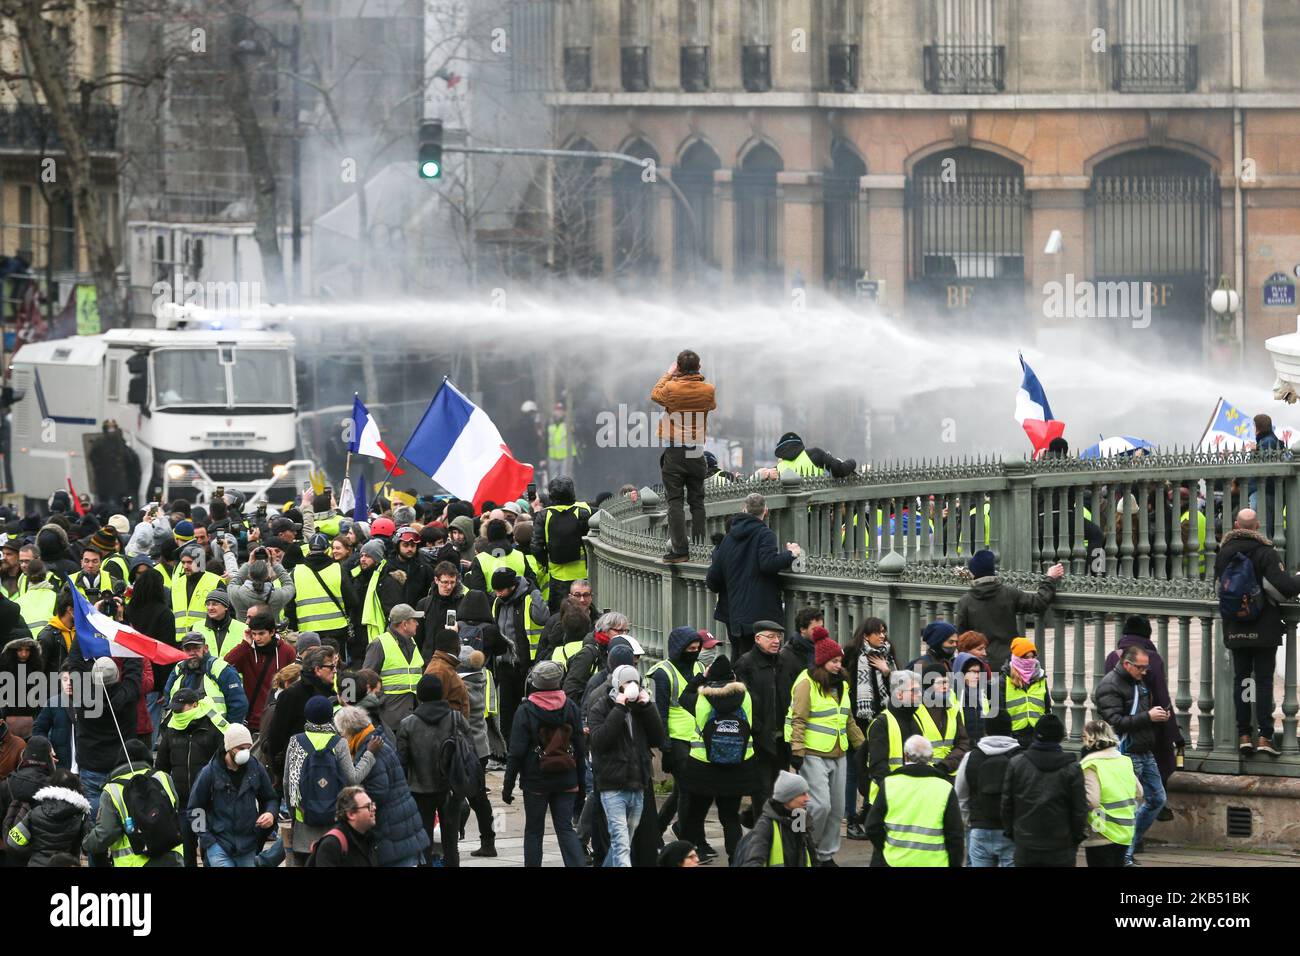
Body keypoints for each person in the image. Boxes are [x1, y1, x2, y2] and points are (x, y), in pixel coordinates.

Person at [1213, 507, 1300, 756]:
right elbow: (1283, 588)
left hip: (1235, 627)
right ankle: (1264, 736)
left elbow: (1219, 588)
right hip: (1263, 627)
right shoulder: (1266, 552)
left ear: (1236, 525)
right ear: (1257, 526)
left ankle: (1242, 735)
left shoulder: (1224, 552)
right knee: (1262, 681)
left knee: (1242, 679)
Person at [502, 658, 588, 867]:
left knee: (534, 830)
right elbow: (580, 747)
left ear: (534, 682)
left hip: (536, 780)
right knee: (565, 828)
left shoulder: (525, 710)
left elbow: (516, 752)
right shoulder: (570, 707)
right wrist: (581, 783)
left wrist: (508, 785)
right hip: (567, 778)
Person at [786, 634, 863, 866]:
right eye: (834, 662)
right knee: (820, 806)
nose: (839, 665)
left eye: (840, 661)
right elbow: (798, 719)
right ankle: (805, 845)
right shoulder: (806, 684)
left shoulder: (842, 685)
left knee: (837, 809)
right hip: (812, 752)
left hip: (839, 752)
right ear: (822, 662)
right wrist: (797, 750)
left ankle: (825, 855)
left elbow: (847, 718)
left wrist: (861, 745)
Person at [676, 655, 756, 863]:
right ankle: (735, 860)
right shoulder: (745, 697)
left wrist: (700, 678)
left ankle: (692, 856)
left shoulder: (702, 698)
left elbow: (683, 698)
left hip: (703, 766)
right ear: (732, 676)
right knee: (730, 818)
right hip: (738, 765)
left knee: (695, 816)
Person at [1093, 645, 1168, 866]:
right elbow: (1115, 723)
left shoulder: (1137, 681)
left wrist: (1156, 717)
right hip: (1126, 753)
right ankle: (1124, 854)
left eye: (1146, 668)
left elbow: (1139, 715)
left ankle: (1129, 845)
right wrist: (1149, 717)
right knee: (1129, 806)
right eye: (1141, 668)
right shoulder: (1109, 685)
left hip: (1145, 750)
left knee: (1157, 799)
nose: (1145, 672)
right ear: (1127, 664)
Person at [284, 695, 378, 865]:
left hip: (304, 823)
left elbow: (288, 783)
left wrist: (295, 815)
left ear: (307, 716)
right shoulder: (339, 743)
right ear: (331, 717)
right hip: (331, 827)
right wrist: (369, 754)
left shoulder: (295, 742)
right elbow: (353, 778)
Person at [587, 663, 665, 866]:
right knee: (621, 844)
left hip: (637, 783)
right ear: (617, 685)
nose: (632, 686)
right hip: (612, 786)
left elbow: (658, 738)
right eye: (627, 683)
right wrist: (619, 708)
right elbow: (600, 741)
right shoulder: (601, 706)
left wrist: (648, 707)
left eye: (635, 682)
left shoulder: (640, 708)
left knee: (624, 843)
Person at [706, 493, 801, 658]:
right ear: (766, 511)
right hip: (761, 614)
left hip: (734, 615)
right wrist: (791, 554)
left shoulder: (728, 539)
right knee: (761, 662)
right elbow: (768, 564)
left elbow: (713, 580)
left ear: (744, 509)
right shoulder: (765, 534)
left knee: (739, 659)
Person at [334, 704, 429, 867]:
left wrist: (353, 802)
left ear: (350, 731)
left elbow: (378, 792)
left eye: (342, 733)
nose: (341, 737)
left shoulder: (370, 750)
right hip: (401, 828)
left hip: (393, 833)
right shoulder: (375, 740)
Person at [397, 674, 474, 867]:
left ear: (419, 695)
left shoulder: (407, 724)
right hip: (451, 788)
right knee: (450, 844)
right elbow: (469, 752)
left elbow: (402, 762)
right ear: (441, 694)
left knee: (423, 844)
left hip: (419, 791)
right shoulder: (456, 718)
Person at [1103, 615, 1183, 799]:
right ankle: (1155, 806)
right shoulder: (1152, 658)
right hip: (1147, 727)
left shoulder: (1112, 657)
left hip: (1120, 729)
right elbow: (1162, 699)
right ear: (1147, 636)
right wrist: (1175, 735)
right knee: (1153, 773)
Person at [651, 349, 717, 563]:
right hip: (696, 451)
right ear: (699, 367)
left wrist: (669, 373)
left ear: (678, 367)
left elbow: (655, 394)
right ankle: (698, 547)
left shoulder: (671, 388)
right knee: (697, 501)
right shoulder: (708, 390)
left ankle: (680, 551)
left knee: (675, 501)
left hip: (675, 451)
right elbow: (711, 405)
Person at [187, 723, 282, 867]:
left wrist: (270, 813)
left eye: (248, 748)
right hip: (219, 844)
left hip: (247, 845)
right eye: (240, 748)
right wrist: (207, 840)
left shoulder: (255, 768)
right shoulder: (209, 772)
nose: (245, 752)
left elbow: (270, 798)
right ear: (229, 748)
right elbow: (194, 809)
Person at [864, 735, 964, 867]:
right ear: (931, 756)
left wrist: (887, 848)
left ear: (906, 756)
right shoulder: (945, 788)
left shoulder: (890, 784)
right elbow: (955, 835)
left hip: (895, 861)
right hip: (935, 863)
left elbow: (872, 827)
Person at [153, 688, 227, 866]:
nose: (176, 712)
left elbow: (224, 763)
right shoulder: (171, 729)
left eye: (180, 708)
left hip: (207, 802)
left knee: (209, 848)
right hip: (183, 803)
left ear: (195, 705)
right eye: (174, 709)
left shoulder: (212, 727)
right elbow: (162, 766)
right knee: (187, 849)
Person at [955, 549, 1064, 671]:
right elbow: (1038, 603)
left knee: (985, 691)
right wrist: (1049, 579)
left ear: (973, 574)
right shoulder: (1009, 593)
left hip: (980, 664)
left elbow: (961, 639)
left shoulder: (965, 602)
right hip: (1009, 662)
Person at [1001, 714, 1087, 867]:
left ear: (1036, 735)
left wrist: (1012, 833)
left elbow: (1007, 805)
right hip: (1061, 844)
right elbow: (1079, 810)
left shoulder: (1017, 764)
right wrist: (1075, 837)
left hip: (1026, 842)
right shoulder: (1072, 768)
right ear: (1060, 737)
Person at [83, 738, 183, 867]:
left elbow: (106, 833)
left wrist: (87, 843)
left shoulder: (112, 790)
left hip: (135, 862)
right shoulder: (163, 777)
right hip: (173, 857)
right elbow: (175, 807)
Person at [649, 625, 707, 841]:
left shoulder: (699, 667)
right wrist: (665, 746)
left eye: (697, 648)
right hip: (676, 739)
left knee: (682, 791)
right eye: (690, 648)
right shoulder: (663, 673)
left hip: (698, 738)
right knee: (687, 790)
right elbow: (660, 713)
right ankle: (688, 838)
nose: (694, 652)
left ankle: (657, 830)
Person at [842, 617, 894, 837]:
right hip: (858, 721)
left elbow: (899, 690)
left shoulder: (888, 655)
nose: (882, 636)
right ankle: (850, 818)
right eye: (878, 632)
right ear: (865, 635)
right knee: (854, 769)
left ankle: (869, 810)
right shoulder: (852, 655)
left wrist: (887, 671)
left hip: (881, 722)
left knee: (878, 768)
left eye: (883, 631)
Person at [262, 645, 341, 781]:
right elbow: (276, 736)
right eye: (331, 667)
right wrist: (280, 774)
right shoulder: (292, 695)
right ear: (317, 669)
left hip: (329, 767)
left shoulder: (334, 691)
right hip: (300, 771)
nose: (335, 671)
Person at [954, 709, 1021, 867]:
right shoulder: (1020, 758)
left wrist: (969, 823)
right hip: (1010, 831)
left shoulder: (970, 757)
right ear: (1010, 729)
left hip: (979, 829)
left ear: (986, 730)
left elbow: (960, 796)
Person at [734, 619, 785, 824]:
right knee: (762, 790)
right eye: (771, 637)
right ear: (757, 638)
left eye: (779, 637)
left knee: (780, 790)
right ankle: (762, 834)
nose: (776, 641)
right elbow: (742, 701)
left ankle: (779, 834)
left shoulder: (782, 662)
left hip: (782, 738)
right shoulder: (746, 664)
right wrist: (757, 729)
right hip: (759, 740)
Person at [1079, 719, 1142, 868]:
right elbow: (1139, 792)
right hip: (1125, 830)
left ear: (1089, 738)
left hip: (1101, 831)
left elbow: (1092, 801)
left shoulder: (1090, 764)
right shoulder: (1124, 761)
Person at [455, 645, 498, 858]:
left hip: (466, 748)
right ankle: (488, 840)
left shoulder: (461, 686)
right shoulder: (480, 678)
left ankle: (479, 840)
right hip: (481, 747)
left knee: (468, 797)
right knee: (479, 797)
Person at [223, 612, 296, 732]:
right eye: (254, 634)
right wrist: (245, 644)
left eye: (261, 633)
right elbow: (225, 667)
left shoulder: (287, 651)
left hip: (279, 719)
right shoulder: (246, 651)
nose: (257, 638)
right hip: (250, 722)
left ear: (272, 632)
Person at [5, 767, 91, 867]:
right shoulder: (81, 817)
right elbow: (88, 847)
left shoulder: (34, 813)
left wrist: (33, 852)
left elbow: (13, 842)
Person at [360, 603, 425, 732]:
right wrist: (378, 704)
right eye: (414, 620)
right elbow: (365, 679)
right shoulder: (379, 644)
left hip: (414, 713)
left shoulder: (412, 642)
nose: (417, 624)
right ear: (404, 624)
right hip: (390, 716)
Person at [733, 770, 817, 867]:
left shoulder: (801, 819)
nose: (807, 798)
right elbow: (752, 861)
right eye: (802, 794)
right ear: (787, 797)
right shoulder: (765, 825)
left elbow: (812, 858)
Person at [531, 477, 592, 612]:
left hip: (557, 576)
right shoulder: (584, 511)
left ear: (551, 494)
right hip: (583, 574)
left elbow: (536, 546)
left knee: (560, 614)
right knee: (584, 611)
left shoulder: (544, 515)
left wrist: (546, 564)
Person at [163, 631, 249, 724]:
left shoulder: (220, 668)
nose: (192, 653)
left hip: (215, 731)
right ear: (183, 651)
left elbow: (238, 704)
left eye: (196, 648)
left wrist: (228, 730)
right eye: (188, 649)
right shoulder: (179, 669)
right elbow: (167, 697)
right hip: (182, 729)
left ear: (205, 648)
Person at [992, 637, 1050, 747]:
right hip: (1013, 739)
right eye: (1026, 657)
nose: (1030, 660)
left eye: (1033, 657)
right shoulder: (1002, 681)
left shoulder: (1041, 678)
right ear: (1017, 658)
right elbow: (998, 714)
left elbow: (1047, 708)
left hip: (1038, 738)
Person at [308, 786, 379, 867]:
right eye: (368, 806)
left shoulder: (369, 838)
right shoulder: (332, 844)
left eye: (373, 804)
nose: (374, 808)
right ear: (351, 814)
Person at [170, 544, 223, 640]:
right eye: (183, 562)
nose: (185, 566)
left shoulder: (215, 582)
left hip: (206, 640)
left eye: (190, 562)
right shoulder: (176, 584)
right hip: (180, 641)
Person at [416, 561, 467, 660]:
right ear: (436, 580)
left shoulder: (463, 603)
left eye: (452, 582)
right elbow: (418, 636)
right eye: (445, 582)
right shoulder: (424, 604)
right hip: (428, 660)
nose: (449, 587)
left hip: (453, 660)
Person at [420, 626, 471, 719]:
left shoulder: (445, 666)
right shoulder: (439, 670)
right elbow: (433, 709)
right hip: (449, 730)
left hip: (454, 728)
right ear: (456, 647)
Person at [953, 631, 992, 744]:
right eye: (980, 649)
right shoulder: (952, 692)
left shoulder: (982, 691)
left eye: (978, 672)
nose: (984, 653)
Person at [772, 431, 857, 479]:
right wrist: (852, 462)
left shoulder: (777, 469)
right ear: (799, 444)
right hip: (818, 508)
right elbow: (841, 470)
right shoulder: (814, 454)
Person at [196, 590, 245, 659]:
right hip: (205, 669)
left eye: (214, 604)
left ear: (226, 607)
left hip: (233, 669)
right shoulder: (196, 627)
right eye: (208, 604)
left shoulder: (243, 628)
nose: (210, 608)